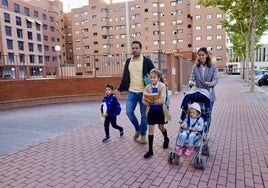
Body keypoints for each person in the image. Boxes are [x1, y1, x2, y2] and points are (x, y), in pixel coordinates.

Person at [114, 41, 155, 144]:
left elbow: (155, 74)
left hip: (144, 93)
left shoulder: (147, 61)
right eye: (133, 48)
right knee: (128, 111)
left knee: (144, 115)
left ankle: (143, 135)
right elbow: (125, 77)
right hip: (132, 92)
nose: (135, 50)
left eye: (137, 48)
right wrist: (119, 89)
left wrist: (155, 87)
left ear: (140, 49)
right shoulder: (128, 61)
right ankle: (137, 128)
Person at [142, 69, 171, 158]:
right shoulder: (147, 87)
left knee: (161, 127)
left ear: (158, 78)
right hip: (151, 111)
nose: (152, 79)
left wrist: (151, 101)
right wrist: (148, 102)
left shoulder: (162, 86)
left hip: (160, 111)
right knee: (151, 128)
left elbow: (162, 100)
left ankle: (166, 139)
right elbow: (143, 100)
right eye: (151, 78)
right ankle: (150, 150)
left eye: (154, 77)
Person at [189, 47, 218, 112]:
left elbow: (215, 78)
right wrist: (190, 82)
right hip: (199, 94)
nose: (201, 57)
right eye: (199, 55)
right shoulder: (195, 67)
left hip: (209, 94)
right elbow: (192, 78)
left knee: (208, 114)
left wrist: (212, 83)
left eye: (203, 55)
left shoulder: (213, 66)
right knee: (199, 113)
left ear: (206, 55)